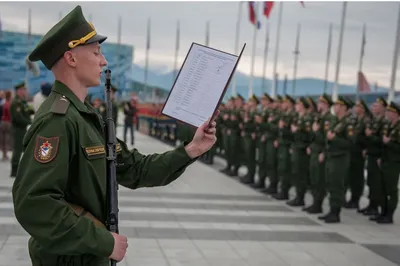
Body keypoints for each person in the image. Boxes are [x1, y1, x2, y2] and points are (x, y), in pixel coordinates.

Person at [12, 6, 217, 266]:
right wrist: (103, 242)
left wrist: (192, 149)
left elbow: (135, 169)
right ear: (71, 59)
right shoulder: (57, 121)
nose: (104, 61)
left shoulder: (87, 117)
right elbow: (34, 203)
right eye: (96, 53)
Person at [10, 82, 32, 177]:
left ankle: (23, 169)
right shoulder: (16, 103)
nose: (26, 91)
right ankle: (14, 170)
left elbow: (27, 112)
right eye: (24, 90)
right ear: (19, 91)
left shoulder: (22, 102)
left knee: (25, 149)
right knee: (17, 149)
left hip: (23, 129)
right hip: (18, 129)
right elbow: (18, 118)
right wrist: (29, 122)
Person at [0, 90, 13, 160]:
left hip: (2, 122)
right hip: (8, 122)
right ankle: (5, 154)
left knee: (2, 138)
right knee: (7, 138)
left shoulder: (4, 103)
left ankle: (4, 154)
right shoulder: (9, 104)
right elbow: (10, 114)